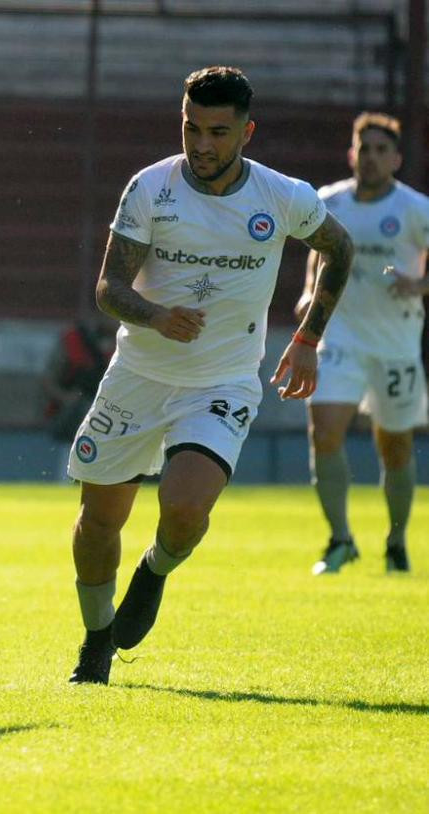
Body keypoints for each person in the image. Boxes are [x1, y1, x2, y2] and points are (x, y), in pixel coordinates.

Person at [65, 66, 354, 685]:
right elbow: (109, 289)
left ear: (247, 132)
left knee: (186, 507)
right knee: (97, 523)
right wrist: (155, 315)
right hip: (138, 375)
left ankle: (155, 571)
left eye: (218, 132)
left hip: (222, 381)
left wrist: (307, 339)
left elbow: (339, 248)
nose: (201, 145)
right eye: (192, 128)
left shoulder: (282, 197)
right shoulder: (151, 188)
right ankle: (95, 642)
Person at [298, 113, 428, 576]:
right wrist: (309, 292)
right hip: (341, 340)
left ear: (395, 158)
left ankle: (395, 541)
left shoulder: (416, 209)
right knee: (325, 432)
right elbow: (321, 253)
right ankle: (340, 539)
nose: (371, 157)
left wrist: (421, 283)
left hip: (395, 346)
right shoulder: (328, 202)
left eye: (380, 150)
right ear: (352, 154)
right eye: (363, 148)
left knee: (393, 448)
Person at [39, 313, 116, 441]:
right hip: (71, 415)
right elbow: (47, 381)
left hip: (111, 413)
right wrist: (66, 398)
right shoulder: (75, 339)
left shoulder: (128, 345)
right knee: (88, 410)